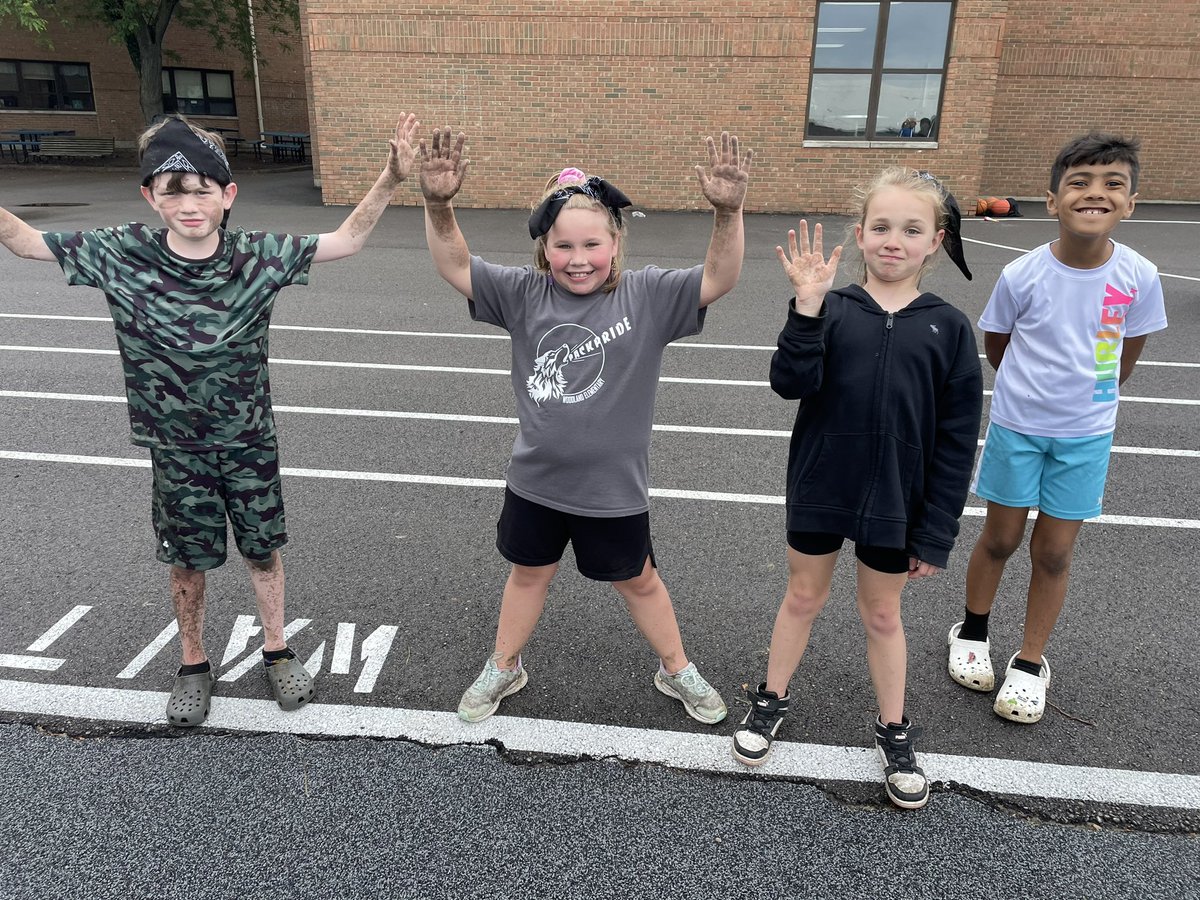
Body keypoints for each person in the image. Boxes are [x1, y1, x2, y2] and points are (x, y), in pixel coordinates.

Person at [0, 112, 422, 726]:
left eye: (203, 189)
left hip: (248, 439)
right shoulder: (121, 253)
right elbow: (24, 242)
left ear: (227, 195)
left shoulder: (257, 255)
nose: (189, 203)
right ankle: (194, 663)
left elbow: (345, 242)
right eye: (173, 190)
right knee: (187, 557)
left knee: (263, 551)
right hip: (175, 447)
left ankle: (276, 651)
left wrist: (389, 178)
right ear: (150, 195)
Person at [418, 127, 752, 725]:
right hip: (537, 482)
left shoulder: (648, 296)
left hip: (613, 489)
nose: (578, 260)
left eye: (591, 244)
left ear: (615, 241)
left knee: (640, 581)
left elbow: (718, 278)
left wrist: (728, 213)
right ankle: (505, 665)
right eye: (563, 246)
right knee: (528, 575)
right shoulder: (524, 294)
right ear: (545, 248)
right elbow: (455, 264)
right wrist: (439, 204)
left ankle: (676, 668)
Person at [731, 167, 983, 810]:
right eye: (881, 227)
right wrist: (808, 308)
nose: (893, 240)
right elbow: (790, 382)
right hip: (823, 485)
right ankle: (770, 699)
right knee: (803, 596)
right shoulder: (833, 307)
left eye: (911, 229)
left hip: (898, 501)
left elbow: (956, 441)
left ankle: (894, 729)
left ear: (936, 241)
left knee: (881, 613)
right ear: (859, 234)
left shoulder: (949, 328)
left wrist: (936, 529)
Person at [948, 133, 1167, 723]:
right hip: (1019, 428)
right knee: (1000, 538)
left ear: (1130, 202)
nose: (1095, 193)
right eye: (1080, 182)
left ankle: (1028, 663)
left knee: (1053, 552)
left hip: (1086, 436)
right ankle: (970, 631)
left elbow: (1127, 354)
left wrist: (1087, 400)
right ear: (1052, 200)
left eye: (1111, 184)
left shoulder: (1140, 275)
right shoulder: (1023, 275)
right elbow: (998, 344)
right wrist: (1032, 396)